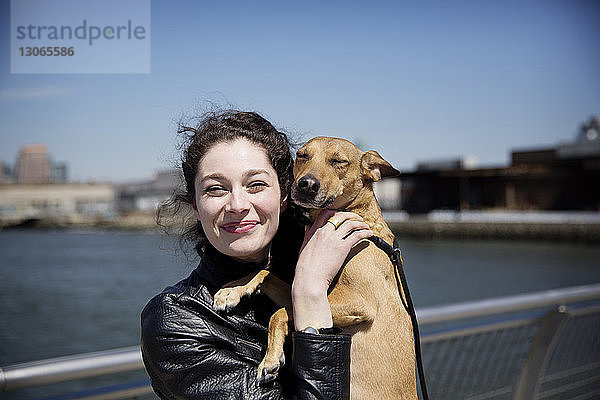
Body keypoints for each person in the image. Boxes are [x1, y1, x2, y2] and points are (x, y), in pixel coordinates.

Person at [141, 110, 374, 400]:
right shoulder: (175, 321)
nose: (237, 204)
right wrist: (310, 292)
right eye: (215, 189)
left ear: (284, 195)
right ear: (196, 208)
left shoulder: (345, 264)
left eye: (256, 185)